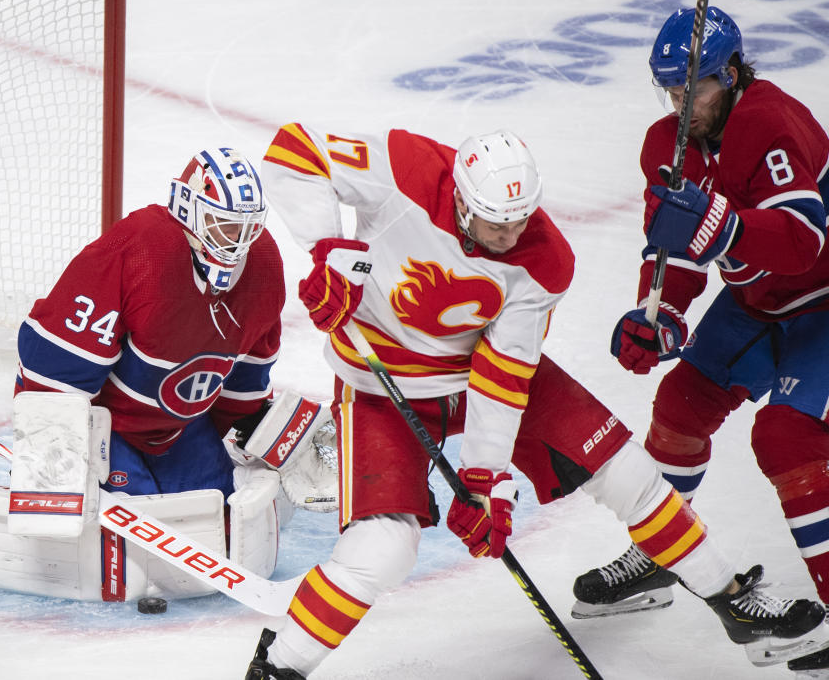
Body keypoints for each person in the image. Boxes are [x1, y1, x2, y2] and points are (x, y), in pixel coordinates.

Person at [242, 124, 828, 679]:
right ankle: (282, 662)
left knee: (631, 476)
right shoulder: (408, 168)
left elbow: (502, 375)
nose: (509, 237)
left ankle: (734, 602)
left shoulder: (545, 259)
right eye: (495, 224)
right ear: (463, 201)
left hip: (477, 375)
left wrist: (482, 478)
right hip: (381, 387)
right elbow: (297, 151)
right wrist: (329, 252)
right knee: (382, 550)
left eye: (520, 221)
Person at [0, 147, 333, 604]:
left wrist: (253, 425)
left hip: (181, 427)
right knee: (109, 539)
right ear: (188, 210)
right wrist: (57, 449)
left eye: (250, 228)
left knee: (217, 524)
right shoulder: (139, 251)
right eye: (226, 225)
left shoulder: (265, 265)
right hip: (110, 428)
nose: (239, 242)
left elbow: (247, 368)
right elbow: (52, 363)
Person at [572, 6, 829, 674]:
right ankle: (661, 554)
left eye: (699, 91)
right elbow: (677, 249)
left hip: (823, 303)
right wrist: (657, 312)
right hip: (755, 306)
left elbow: (802, 242)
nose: (686, 107)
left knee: (785, 438)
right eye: (676, 93)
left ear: (734, 74)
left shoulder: (772, 122)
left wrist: (725, 227)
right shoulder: (668, 147)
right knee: (678, 408)